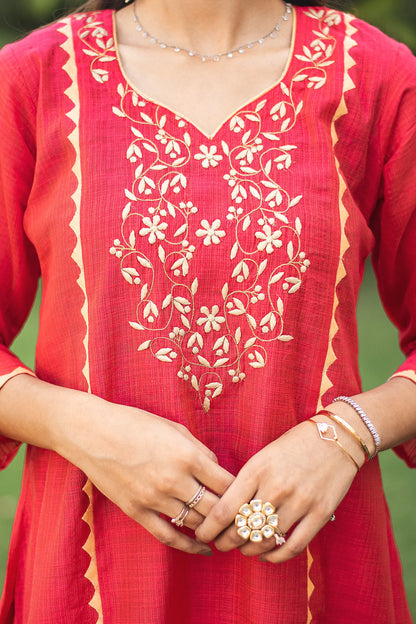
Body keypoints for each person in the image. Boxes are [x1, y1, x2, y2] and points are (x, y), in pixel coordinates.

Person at [0, 0, 415, 621]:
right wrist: (77, 426)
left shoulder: (378, 75)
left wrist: (348, 435)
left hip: (313, 566)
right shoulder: (33, 79)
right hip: (89, 572)